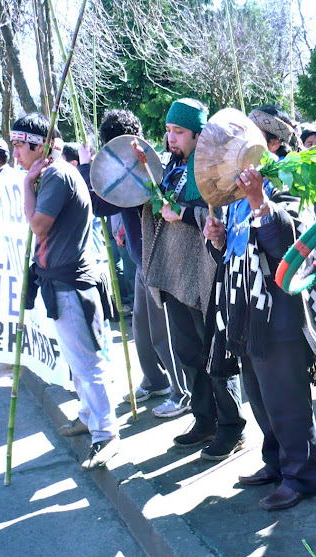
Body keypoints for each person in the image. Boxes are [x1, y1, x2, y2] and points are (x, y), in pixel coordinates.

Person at [204, 106, 316, 511]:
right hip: (247, 314)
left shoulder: (287, 182)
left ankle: (301, 476)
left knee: (287, 400)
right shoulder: (236, 195)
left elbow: (287, 249)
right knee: (260, 397)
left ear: (271, 145)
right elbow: (232, 256)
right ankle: (275, 463)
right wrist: (217, 239)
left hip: (277, 315)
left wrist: (260, 200)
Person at [11, 113, 120, 470]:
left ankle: (106, 434)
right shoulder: (53, 173)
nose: (15, 153)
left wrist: (28, 184)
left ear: (37, 145)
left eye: (18, 145)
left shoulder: (56, 175)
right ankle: (89, 416)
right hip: (62, 279)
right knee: (77, 359)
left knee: (87, 361)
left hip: (73, 282)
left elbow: (37, 224)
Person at [142, 98, 246, 460]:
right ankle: (205, 419)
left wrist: (183, 214)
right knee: (189, 354)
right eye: (169, 130)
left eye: (179, 131)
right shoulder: (169, 167)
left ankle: (231, 426)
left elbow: (218, 216)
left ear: (198, 134)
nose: (171, 137)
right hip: (175, 274)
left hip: (205, 274)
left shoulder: (213, 170)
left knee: (215, 353)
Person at [85, 109, 189, 416]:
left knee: (164, 330)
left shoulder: (147, 166)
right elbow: (108, 206)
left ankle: (183, 391)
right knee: (142, 328)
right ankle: (155, 380)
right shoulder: (130, 163)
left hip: (159, 258)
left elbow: (103, 203)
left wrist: (86, 166)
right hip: (139, 256)